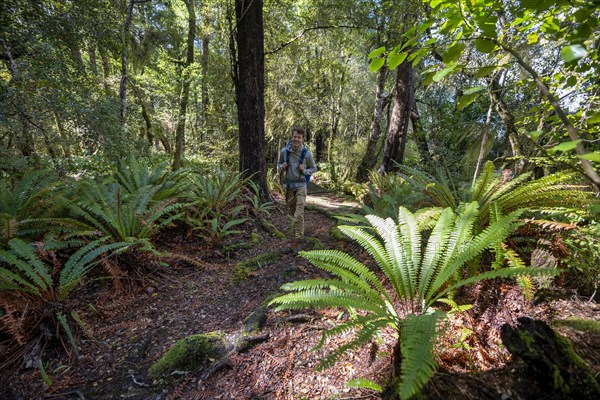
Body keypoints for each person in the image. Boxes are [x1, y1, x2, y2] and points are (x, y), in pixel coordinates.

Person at [277, 127, 316, 240]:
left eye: (299, 137)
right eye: (295, 137)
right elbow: (279, 165)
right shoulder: (284, 151)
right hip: (289, 186)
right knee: (293, 210)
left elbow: (313, 168)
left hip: (301, 185)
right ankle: (298, 229)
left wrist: (305, 171)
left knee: (299, 213)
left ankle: (298, 237)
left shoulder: (306, 153)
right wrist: (282, 166)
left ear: (302, 139)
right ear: (292, 137)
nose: (296, 139)